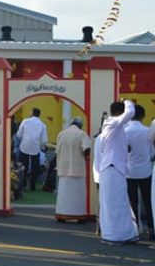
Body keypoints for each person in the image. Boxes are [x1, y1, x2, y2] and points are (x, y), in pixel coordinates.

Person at [98, 99, 139, 244]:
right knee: (115, 204)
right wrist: (127, 101)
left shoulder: (114, 128)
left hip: (114, 168)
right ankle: (114, 236)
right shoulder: (113, 123)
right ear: (120, 113)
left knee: (119, 203)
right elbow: (130, 112)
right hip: (112, 168)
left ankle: (124, 234)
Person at [124, 104, 154, 240]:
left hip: (129, 171)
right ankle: (152, 229)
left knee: (132, 202)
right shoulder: (147, 131)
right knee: (148, 201)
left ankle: (135, 229)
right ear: (143, 116)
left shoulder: (125, 131)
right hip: (145, 171)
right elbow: (152, 152)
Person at [55, 118, 92, 222]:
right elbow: (87, 148)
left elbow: (57, 151)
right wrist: (85, 156)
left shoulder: (61, 134)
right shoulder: (82, 134)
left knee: (63, 195)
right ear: (80, 126)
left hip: (63, 168)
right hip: (77, 169)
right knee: (77, 196)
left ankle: (61, 215)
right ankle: (78, 216)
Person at [16, 108, 48, 191]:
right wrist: (42, 147)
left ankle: (22, 184)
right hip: (35, 148)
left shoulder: (25, 121)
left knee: (23, 166)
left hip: (24, 146)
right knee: (35, 168)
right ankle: (32, 186)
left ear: (31, 113)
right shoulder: (43, 125)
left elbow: (19, 134)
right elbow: (44, 140)